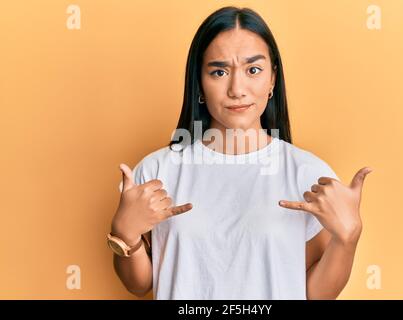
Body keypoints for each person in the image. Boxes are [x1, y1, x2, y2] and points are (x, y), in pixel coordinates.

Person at [107, 6, 372, 300]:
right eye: (219, 72)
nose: (237, 89)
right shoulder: (157, 171)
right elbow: (139, 284)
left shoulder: (308, 174)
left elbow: (315, 294)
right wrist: (124, 234)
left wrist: (348, 238)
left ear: (272, 79)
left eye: (253, 70)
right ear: (199, 84)